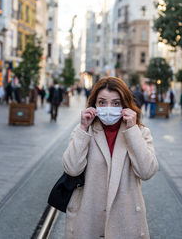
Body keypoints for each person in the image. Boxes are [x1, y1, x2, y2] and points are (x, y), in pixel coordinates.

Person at [62, 76, 158, 239]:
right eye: (102, 102)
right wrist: (83, 128)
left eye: (115, 103)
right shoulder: (85, 131)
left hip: (125, 221)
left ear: (125, 105)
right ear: (94, 104)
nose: (108, 108)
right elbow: (71, 168)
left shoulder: (140, 132)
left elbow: (147, 172)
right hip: (88, 219)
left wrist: (132, 130)